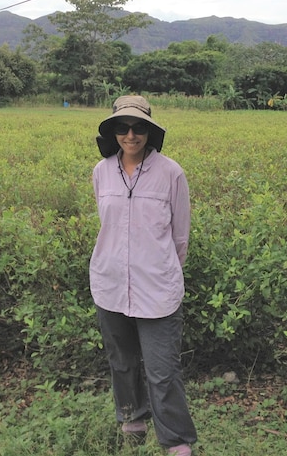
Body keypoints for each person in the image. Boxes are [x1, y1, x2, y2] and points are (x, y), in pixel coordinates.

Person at [90, 95, 197, 456]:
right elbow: (107, 225)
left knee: (162, 370)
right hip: (110, 283)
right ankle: (132, 417)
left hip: (158, 288)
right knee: (121, 361)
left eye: (138, 128)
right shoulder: (100, 171)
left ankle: (176, 440)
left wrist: (161, 269)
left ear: (149, 131)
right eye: (122, 127)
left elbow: (180, 236)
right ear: (114, 131)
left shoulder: (171, 173)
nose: (130, 135)